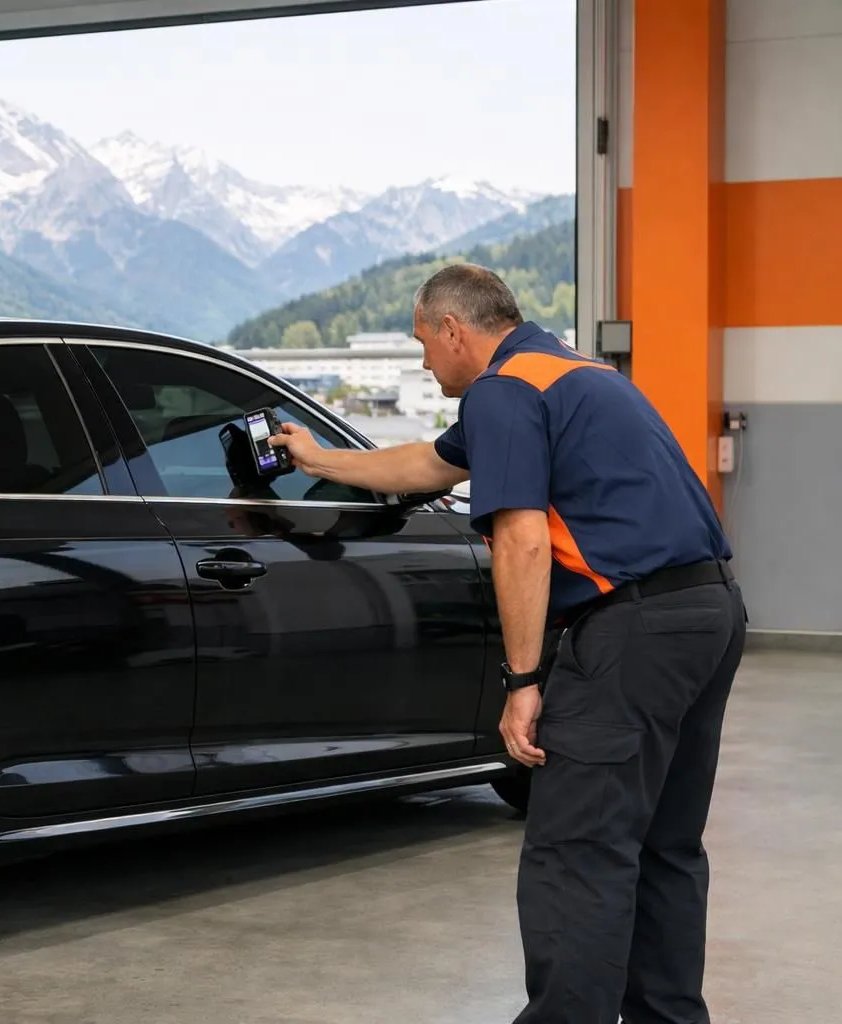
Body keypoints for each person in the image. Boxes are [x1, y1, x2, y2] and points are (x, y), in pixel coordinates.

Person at [268, 263, 746, 1024]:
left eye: (426, 342)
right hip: (708, 610)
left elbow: (521, 541)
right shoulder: (563, 369)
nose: (425, 361)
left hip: (632, 630)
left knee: (576, 854)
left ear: (455, 329)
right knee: (664, 847)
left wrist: (523, 679)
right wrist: (318, 459)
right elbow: (427, 462)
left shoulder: (503, 391)